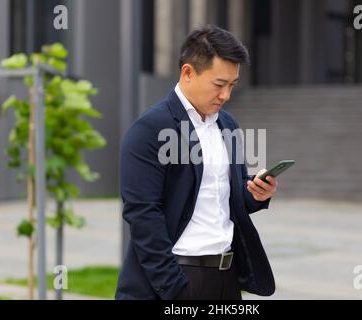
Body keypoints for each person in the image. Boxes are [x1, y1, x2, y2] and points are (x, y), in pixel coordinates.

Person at [115, 25, 278, 300]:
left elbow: (227, 199)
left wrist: (255, 194)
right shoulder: (150, 129)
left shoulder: (228, 125)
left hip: (226, 278)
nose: (226, 95)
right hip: (178, 280)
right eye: (219, 84)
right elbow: (143, 215)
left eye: (232, 85)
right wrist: (175, 288)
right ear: (188, 73)